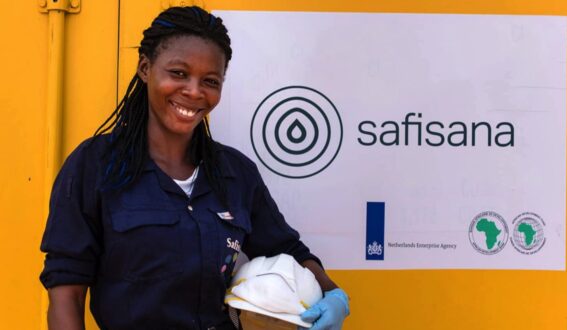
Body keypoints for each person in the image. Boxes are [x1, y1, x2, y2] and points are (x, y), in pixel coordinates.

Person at [40, 6, 349, 330]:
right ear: (145, 68)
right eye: (178, 73)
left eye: (210, 80)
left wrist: (334, 295)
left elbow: (288, 250)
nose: (194, 91)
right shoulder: (96, 167)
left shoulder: (236, 175)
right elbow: (66, 296)